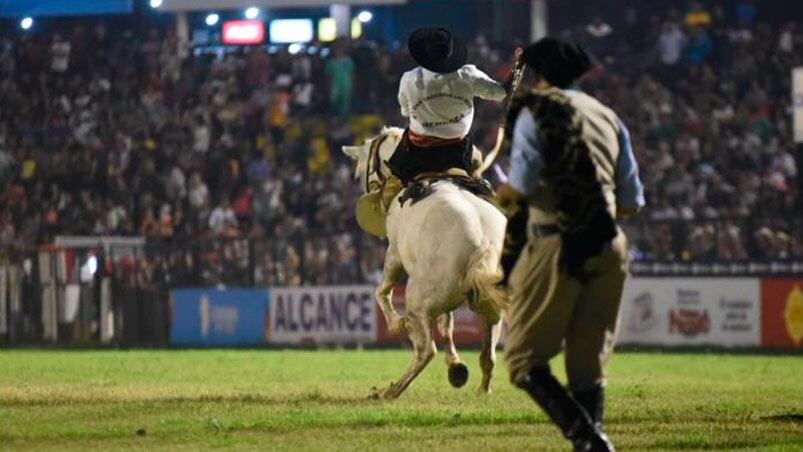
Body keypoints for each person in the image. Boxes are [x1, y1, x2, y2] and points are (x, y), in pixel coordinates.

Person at [497, 37, 645, 452]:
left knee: (525, 361)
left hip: (556, 243)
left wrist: (501, 197)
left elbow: (522, 185)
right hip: (609, 244)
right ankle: (590, 443)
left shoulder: (537, 110)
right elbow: (632, 202)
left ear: (539, 74)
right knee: (587, 366)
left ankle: (588, 438)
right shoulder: (608, 116)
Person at [381, 27, 519, 209]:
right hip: (460, 151)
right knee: (480, 171)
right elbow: (503, 93)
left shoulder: (409, 79)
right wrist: (517, 68)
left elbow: (406, 113)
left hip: (419, 151)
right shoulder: (468, 74)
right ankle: (479, 184)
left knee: (392, 182)